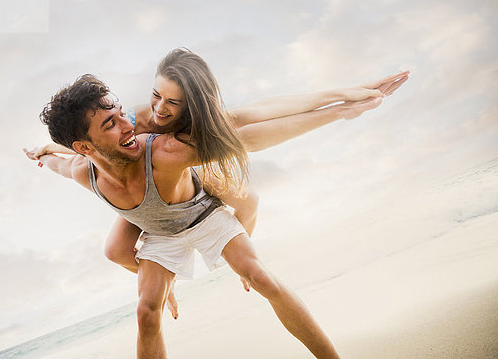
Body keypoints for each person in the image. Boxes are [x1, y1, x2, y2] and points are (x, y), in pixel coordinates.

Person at [25, 64, 408, 358]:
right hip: (161, 232)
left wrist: (339, 108)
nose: (129, 125)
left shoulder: (164, 147)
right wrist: (42, 151)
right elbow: (57, 158)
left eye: (122, 113)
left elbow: (245, 130)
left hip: (202, 213)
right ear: (85, 149)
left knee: (262, 279)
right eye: (111, 124)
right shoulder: (80, 170)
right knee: (145, 311)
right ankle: (162, 283)